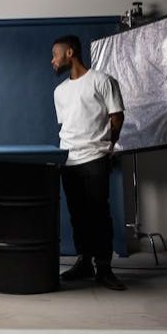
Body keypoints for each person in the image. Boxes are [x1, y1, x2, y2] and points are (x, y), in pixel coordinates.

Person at [50, 35, 127, 291]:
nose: (52, 60)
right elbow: (69, 125)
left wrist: (108, 146)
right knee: (77, 214)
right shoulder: (59, 91)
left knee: (98, 213)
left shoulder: (102, 81)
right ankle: (84, 263)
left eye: (55, 54)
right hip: (68, 159)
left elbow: (116, 116)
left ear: (70, 53)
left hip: (95, 156)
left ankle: (104, 268)